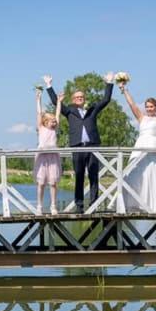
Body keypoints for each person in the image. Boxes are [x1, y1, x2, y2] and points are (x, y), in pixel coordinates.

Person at [45, 72, 114, 212]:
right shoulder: (69, 111)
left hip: (92, 146)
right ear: (73, 99)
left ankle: (94, 204)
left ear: (84, 99)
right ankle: (79, 206)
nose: (79, 99)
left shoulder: (92, 109)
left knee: (94, 176)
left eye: (81, 97)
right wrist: (49, 86)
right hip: (77, 147)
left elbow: (106, 100)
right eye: (77, 97)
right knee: (79, 176)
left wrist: (109, 83)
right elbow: (55, 102)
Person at [119, 74, 156, 214]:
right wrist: (124, 90)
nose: (149, 109)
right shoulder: (141, 118)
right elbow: (132, 104)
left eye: (151, 107)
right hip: (139, 147)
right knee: (133, 174)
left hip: (152, 148)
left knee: (153, 175)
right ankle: (131, 204)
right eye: (147, 107)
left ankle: (154, 206)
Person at [34, 88, 64, 214]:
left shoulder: (54, 130)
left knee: (53, 183)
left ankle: (53, 206)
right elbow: (39, 113)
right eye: (51, 121)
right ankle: (39, 206)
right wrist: (38, 99)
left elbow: (58, 114)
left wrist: (59, 102)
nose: (54, 123)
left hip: (52, 157)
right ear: (45, 122)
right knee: (41, 183)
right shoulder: (41, 128)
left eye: (54, 122)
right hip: (42, 156)